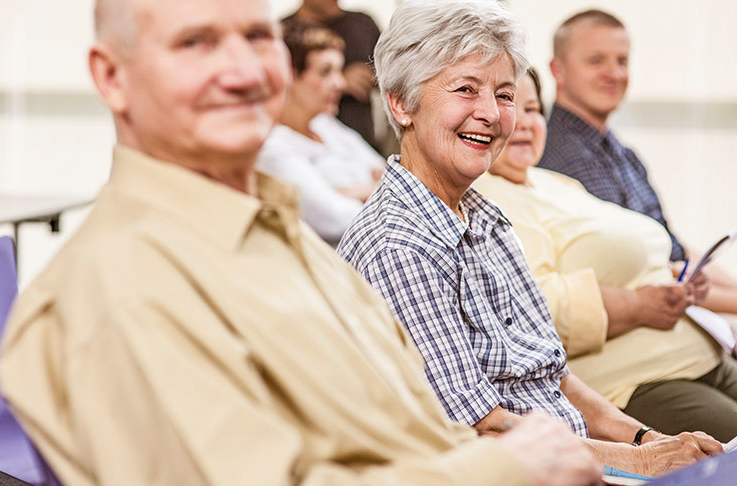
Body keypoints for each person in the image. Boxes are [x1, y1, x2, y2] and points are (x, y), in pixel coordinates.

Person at [0, 1, 604, 485]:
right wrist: (514, 466)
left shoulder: (287, 240)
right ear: (112, 77)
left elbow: (412, 434)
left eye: (258, 38)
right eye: (195, 43)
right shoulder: (118, 286)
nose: (243, 71)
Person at [338, 0, 723, 478]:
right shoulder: (396, 245)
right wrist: (643, 462)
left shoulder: (485, 216)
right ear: (400, 102)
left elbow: (553, 374)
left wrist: (650, 439)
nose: (492, 114)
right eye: (465, 89)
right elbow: (481, 429)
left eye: (504, 95)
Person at [474, 67, 737, 442]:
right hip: (635, 384)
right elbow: (529, 312)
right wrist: (635, 305)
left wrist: (676, 280)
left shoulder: (555, 183)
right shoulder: (488, 198)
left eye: (533, 109)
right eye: (509, 106)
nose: (525, 122)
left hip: (702, 358)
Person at [537, 9, 737, 315]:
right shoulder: (558, 156)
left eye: (622, 61)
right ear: (558, 70)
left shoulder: (622, 153)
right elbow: (643, 273)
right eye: (596, 61)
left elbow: (674, 249)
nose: (614, 74)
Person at [257, 23, 383, 244]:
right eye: (326, 72)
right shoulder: (272, 148)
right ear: (290, 76)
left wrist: (347, 192)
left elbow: (392, 173)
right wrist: (376, 189)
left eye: (339, 71)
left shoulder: (326, 126)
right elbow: (336, 219)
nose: (340, 83)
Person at [283, 0, 381, 150]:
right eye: (325, 71)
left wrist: (374, 76)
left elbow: (394, 78)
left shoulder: (362, 24)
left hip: (362, 140)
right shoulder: (283, 32)